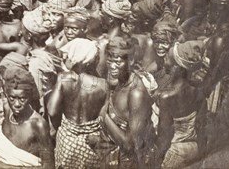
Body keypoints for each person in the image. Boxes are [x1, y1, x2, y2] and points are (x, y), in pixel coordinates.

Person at [48, 38, 107, 169]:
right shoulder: (103, 85)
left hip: (67, 138)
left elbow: (52, 110)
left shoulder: (64, 78)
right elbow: (104, 118)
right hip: (91, 141)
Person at [98, 36, 154, 168]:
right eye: (110, 60)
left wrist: (102, 114)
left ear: (131, 60)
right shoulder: (117, 80)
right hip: (112, 155)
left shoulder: (136, 93)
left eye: (118, 62)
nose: (112, 66)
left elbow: (130, 144)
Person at [0, 66, 54, 167]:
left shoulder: (37, 124)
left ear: (29, 97)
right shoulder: (7, 108)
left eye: (22, 99)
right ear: (6, 95)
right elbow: (2, 145)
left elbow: (49, 165)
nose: (17, 104)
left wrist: (8, 167)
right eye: (12, 98)